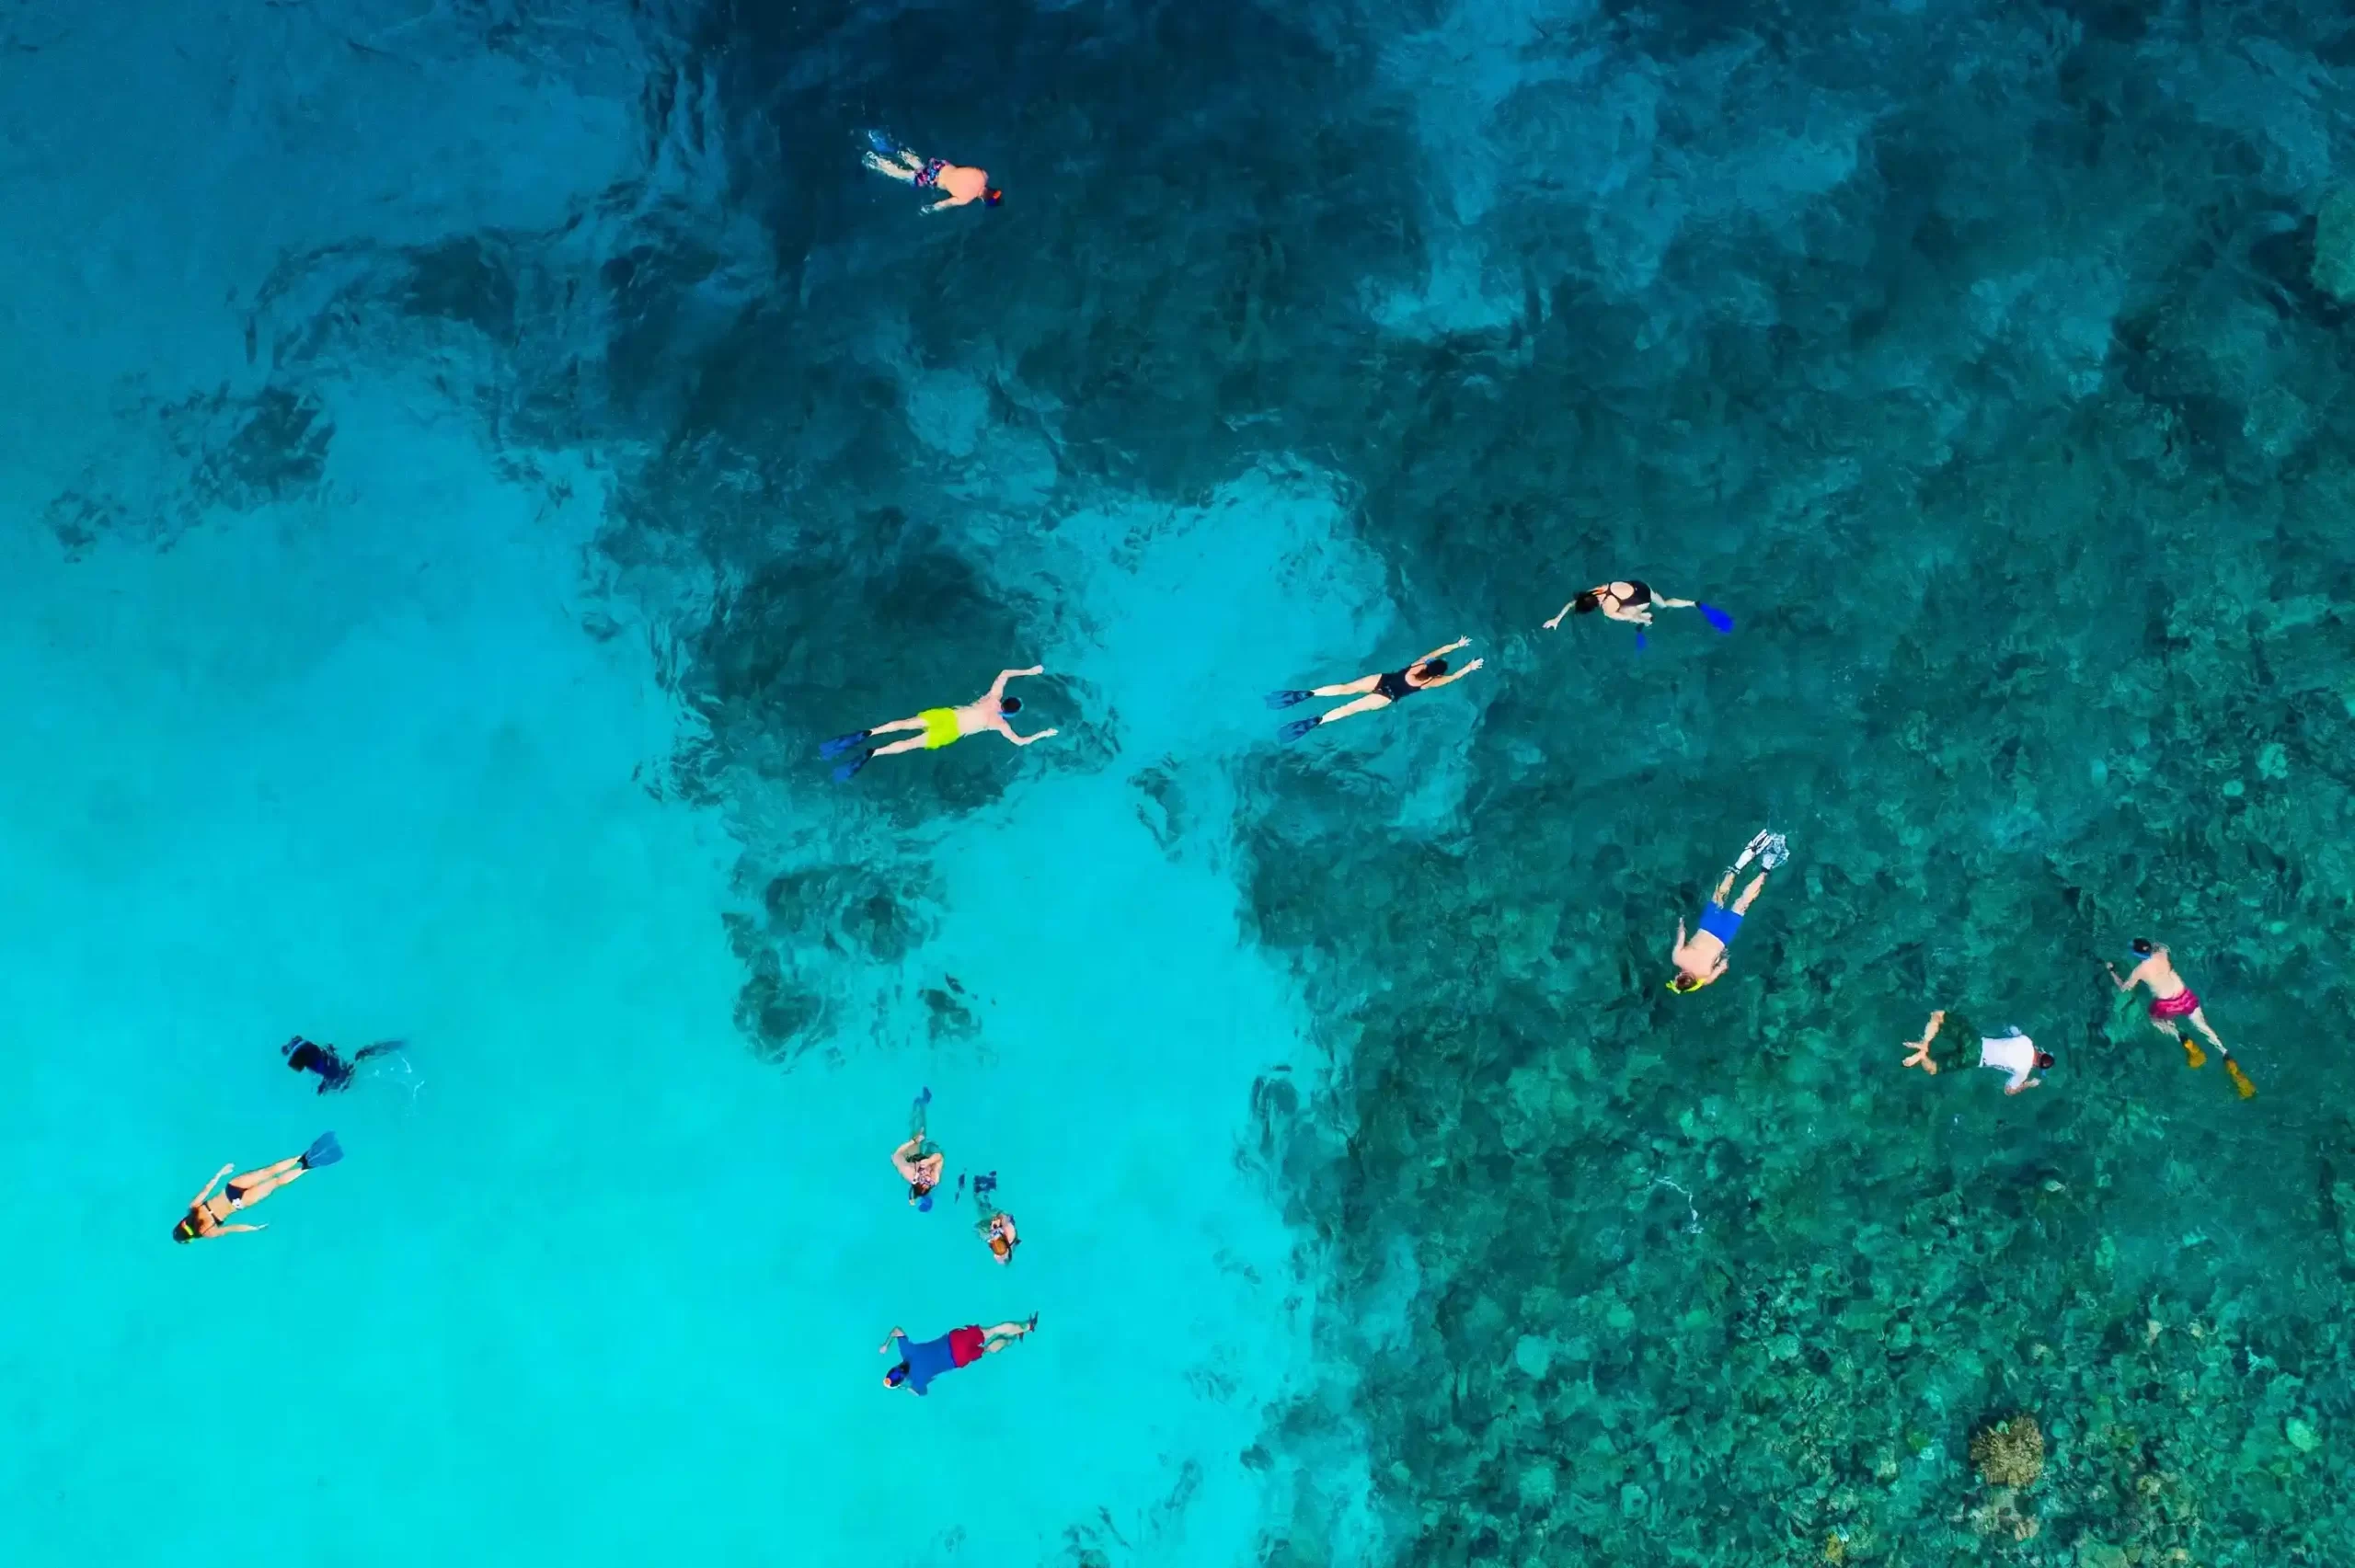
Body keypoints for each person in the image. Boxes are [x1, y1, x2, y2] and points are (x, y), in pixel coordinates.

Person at [821, 666, 1059, 782]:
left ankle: (871, 732)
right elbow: (1020, 742)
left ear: (1005, 701)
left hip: (948, 717)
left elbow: (1005, 673)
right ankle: (873, 753)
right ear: (1009, 714)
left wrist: (1030, 671)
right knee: (909, 744)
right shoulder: (998, 723)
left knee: (903, 724)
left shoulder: (992, 697)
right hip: (953, 730)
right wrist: (1044, 734)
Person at [2105, 939, 2255, 1095]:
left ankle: (2184, 1040)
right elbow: (2163, 946)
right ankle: (2227, 1057)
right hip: (2184, 995)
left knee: (2156, 1020)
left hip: (2167, 1003)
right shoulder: (2161, 953)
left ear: (2137, 954)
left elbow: (2124, 988)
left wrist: (2111, 971)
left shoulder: (2139, 971)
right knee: (2203, 1027)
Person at [1266, 637, 1484, 741]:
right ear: (1436, 675)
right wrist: (1470, 667)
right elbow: (1455, 676)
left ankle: (1309, 693)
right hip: (1386, 696)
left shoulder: (1420, 662)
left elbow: (1439, 650)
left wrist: (1457, 645)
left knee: (1345, 688)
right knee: (1349, 709)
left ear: (1429, 665)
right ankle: (1317, 721)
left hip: (1381, 680)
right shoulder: (1432, 682)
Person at [1668, 830, 1786, 993]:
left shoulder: (1705, 978)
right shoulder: (1677, 958)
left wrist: (1722, 956)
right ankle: (1739, 866)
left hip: (1724, 935)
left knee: (1743, 903)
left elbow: (1724, 965)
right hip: (1708, 925)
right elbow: (1681, 933)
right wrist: (1681, 921)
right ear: (1680, 974)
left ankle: (1765, 868)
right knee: (1720, 896)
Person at [171, 1134, 342, 1242]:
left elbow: (234, 1228)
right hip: (231, 1188)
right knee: (270, 1171)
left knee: (277, 1183)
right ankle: (302, 1156)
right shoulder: (193, 1207)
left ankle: (307, 1166)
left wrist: (255, 1228)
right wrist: (220, 1173)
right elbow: (207, 1188)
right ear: (181, 1223)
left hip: (238, 1203)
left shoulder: (207, 1232)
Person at [1901, 1011, 2053, 1094]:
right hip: (1974, 1059)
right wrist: (2028, 1085)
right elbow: (2009, 1090)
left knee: (1938, 1016)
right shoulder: (2023, 1072)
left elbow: (2011, 1028)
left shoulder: (2026, 1041)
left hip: (1975, 1041)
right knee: (1933, 1068)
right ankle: (1922, 1056)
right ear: (2038, 1066)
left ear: (2041, 1053)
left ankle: (1924, 1043)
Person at [879, 1316, 1039, 1395]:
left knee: (987, 1350)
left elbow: (922, 1393)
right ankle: (1027, 1326)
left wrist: (904, 1387)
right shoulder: (907, 1351)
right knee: (993, 1331)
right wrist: (886, 1345)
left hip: (958, 1359)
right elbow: (897, 1330)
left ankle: (1014, 1338)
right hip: (954, 1340)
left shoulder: (916, 1381)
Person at [861, 136, 1002, 213]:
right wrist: (928, 209)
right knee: (904, 174)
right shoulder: (965, 199)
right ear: (984, 200)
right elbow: (943, 204)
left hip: (940, 166)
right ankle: (873, 160)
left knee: (920, 166)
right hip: (932, 179)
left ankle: (890, 146)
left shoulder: (983, 175)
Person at [1544, 580, 1696, 630]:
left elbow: (1625, 617)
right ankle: (1691, 603)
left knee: (1629, 616)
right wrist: (1557, 619)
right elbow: (1572, 603)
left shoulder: (1607, 609)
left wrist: (1640, 620)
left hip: (1641, 601)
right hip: (1641, 587)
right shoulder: (1596, 590)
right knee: (1664, 604)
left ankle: (1647, 616)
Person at [282, 1036, 407, 1094]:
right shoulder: (305, 1047)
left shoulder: (322, 1065)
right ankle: (398, 1044)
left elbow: (332, 1073)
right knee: (362, 1054)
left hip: (338, 1068)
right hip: (331, 1058)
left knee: (361, 1058)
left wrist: (324, 1086)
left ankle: (396, 1046)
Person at [893, 1086, 946, 1210]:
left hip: (913, 1157)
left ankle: (919, 1104)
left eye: (924, 1179)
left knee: (918, 1129)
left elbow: (895, 1156)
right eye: (929, 1181)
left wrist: (913, 1142)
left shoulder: (909, 1172)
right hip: (926, 1159)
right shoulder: (934, 1179)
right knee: (933, 1145)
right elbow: (940, 1158)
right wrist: (929, 1162)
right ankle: (922, 1104)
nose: (927, 1175)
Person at [971, 1170, 1018, 1264]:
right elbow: (1002, 1215)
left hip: (997, 1225)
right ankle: (988, 1186)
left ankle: (984, 1190)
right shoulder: (1009, 1231)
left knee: (981, 1213)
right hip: (1002, 1217)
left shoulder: (996, 1248)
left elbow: (977, 1228)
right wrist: (997, 1221)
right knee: (983, 1211)